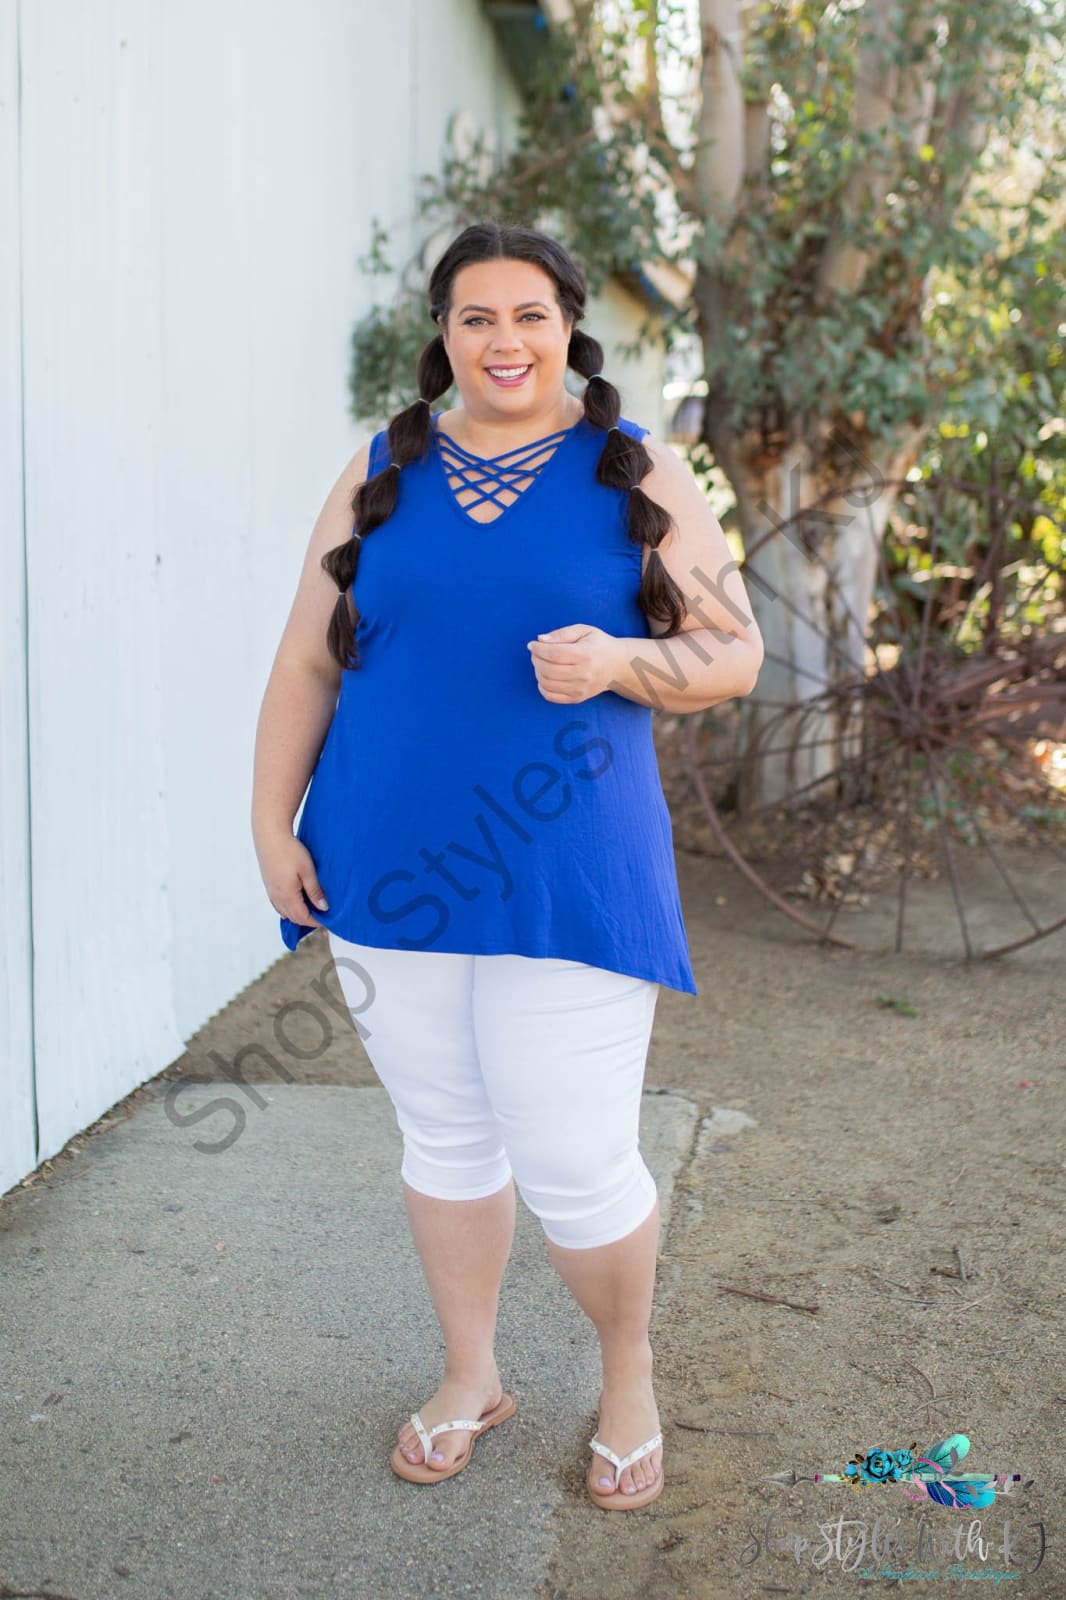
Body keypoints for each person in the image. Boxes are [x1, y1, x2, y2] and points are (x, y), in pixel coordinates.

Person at [252, 221, 763, 1511]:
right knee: (445, 1139)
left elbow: (735, 653)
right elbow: (309, 659)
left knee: (577, 1160)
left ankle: (628, 1376)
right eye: (475, 317)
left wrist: (622, 661)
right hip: (384, 868)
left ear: (568, 326)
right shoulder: (382, 466)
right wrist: (271, 824)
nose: (503, 341)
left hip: (569, 873)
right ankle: (470, 1374)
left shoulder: (635, 467)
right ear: (445, 334)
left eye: (528, 315)